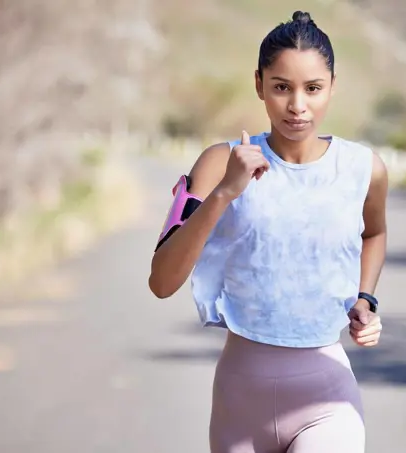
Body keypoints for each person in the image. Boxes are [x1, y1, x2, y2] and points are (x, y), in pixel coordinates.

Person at [148, 10, 388, 453]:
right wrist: (223, 193)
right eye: (282, 87)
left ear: (332, 85)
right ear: (258, 84)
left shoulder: (363, 168)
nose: (298, 105)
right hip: (241, 402)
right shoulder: (221, 161)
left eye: (313, 88)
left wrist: (364, 298)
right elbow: (162, 281)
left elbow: (373, 234)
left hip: (328, 397)